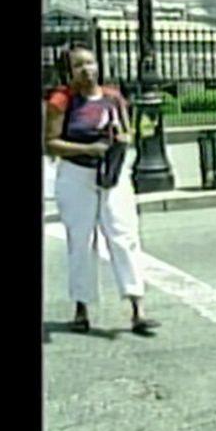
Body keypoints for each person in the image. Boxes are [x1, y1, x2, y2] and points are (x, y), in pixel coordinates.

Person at [44, 45, 159, 336]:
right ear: (69, 72)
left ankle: (137, 307)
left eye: (90, 63)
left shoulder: (113, 97)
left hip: (112, 173)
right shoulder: (62, 100)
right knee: (81, 240)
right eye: (79, 65)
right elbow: (51, 143)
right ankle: (81, 308)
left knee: (124, 236)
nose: (87, 70)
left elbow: (127, 130)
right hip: (76, 174)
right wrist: (87, 149)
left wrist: (122, 139)